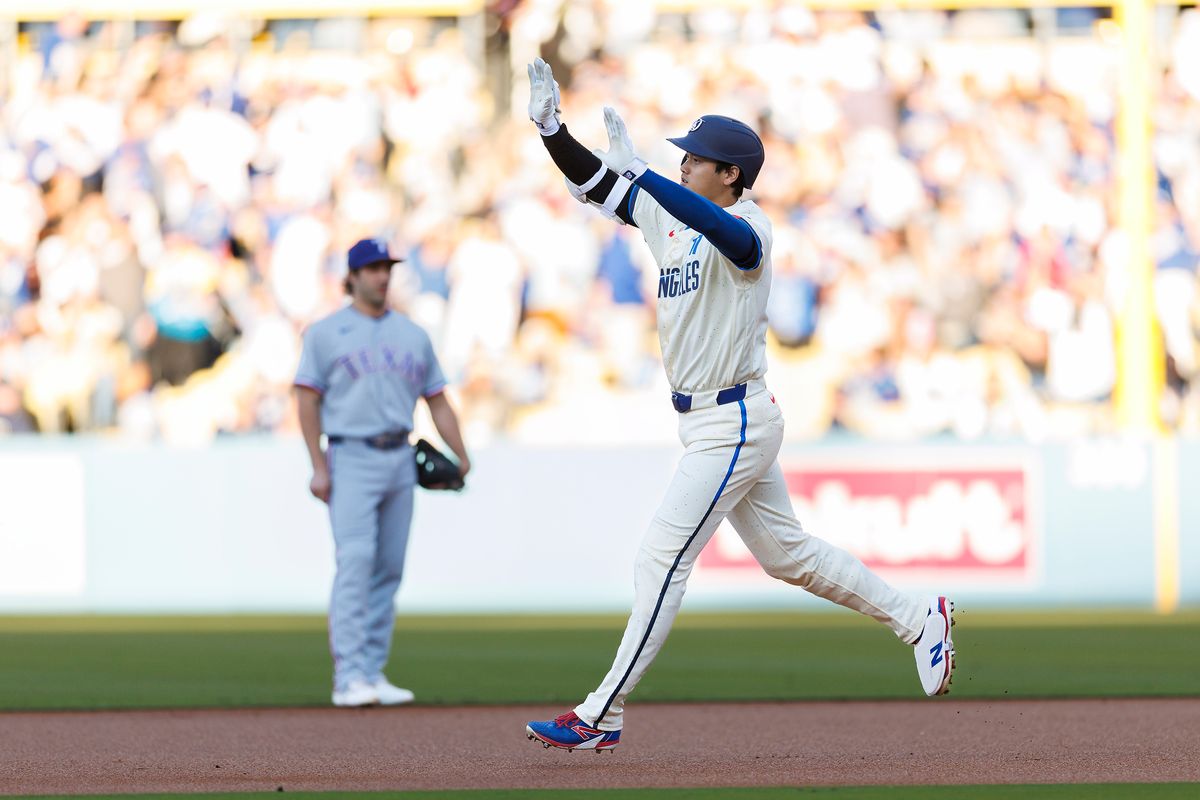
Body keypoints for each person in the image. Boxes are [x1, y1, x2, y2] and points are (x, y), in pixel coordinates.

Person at [522, 59, 955, 752]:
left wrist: (644, 176)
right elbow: (595, 182)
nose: (684, 165)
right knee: (789, 556)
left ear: (729, 174)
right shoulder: (669, 212)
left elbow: (726, 236)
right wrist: (552, 129)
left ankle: (602, 711)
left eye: (695, 160)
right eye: (683, 159)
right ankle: (917, 617)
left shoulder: (752, 226)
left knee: (659, 560)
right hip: (707, 421)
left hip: (735, 418)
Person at [294, 237, 470, 707]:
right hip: (349, 454)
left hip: (399, 456)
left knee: (388, 568)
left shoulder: (412, 334)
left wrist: (462, 452)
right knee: (355, 562)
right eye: (371, 268)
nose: (381, 275)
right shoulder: (325, 333)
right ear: (350, 277)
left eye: (386, 267)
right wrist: (318, 465)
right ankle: (348, 676)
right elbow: (306, 399)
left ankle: (371, 671)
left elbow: (437, 401)